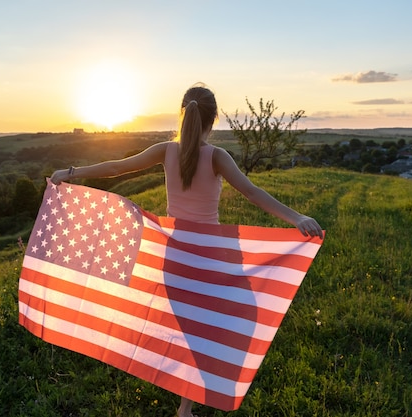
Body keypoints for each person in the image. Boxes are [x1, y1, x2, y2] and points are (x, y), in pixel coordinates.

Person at [51, 83, 323, 417]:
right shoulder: (218, 156)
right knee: (213, 327)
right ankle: (189, 403)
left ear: (183, 113)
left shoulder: (165, 150)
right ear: (214, 118)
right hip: (211, 255)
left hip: (175, 254)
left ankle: (186, 403)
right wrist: (297, 217)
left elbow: (115, 168)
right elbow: (252, 193)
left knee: (186, 328)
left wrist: (71, 173)